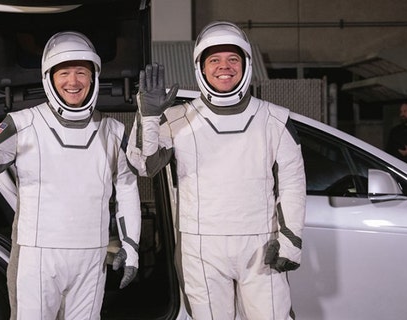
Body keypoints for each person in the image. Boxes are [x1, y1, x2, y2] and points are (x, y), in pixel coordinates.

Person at [0, 31, 141, 320]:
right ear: (49, 78)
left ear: (94, 77)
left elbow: (128, 188)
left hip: (91, 255)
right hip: (37, 256)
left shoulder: (114, 132)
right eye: (64, 73)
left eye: (81, 72)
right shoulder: (21, 124)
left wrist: (131, 245)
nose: (73, 82)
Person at [126, 21, 306, 319]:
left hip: (261, 244)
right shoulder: (176, 118)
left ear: (246, 64)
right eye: (215, 60)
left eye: (233, 59)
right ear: (201, 67)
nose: (225, 67)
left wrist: (290, 242)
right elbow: (144, 165)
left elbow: (292, 185)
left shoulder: (275, 120)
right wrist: (148, 117)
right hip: (200, 247)